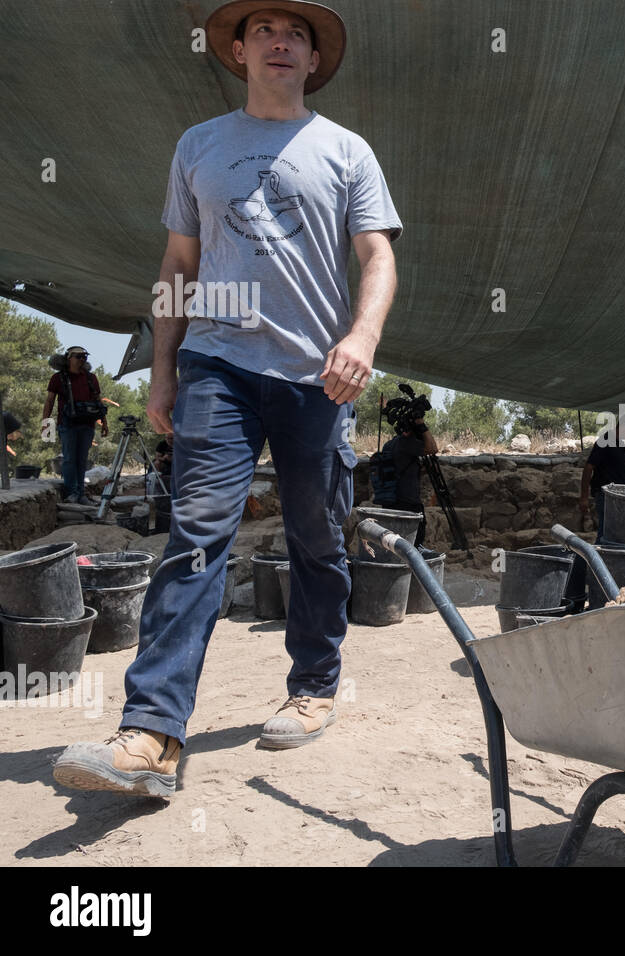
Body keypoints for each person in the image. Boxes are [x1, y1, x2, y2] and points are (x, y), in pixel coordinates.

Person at [54, 0, 401, 798]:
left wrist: (363, 339)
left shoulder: (346, 151)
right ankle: (151, 732)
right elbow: (178, 266)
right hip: (217, 363)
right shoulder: (198, 146)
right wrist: (166, 369)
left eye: (298, 36)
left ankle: (315, 687)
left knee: (315, 535)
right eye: (266, 33)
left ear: (313, 61)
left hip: (317, 376)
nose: (281, 43)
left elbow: (377, 257)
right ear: (240, 51)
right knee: (198, 533)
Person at [41, 346, 108, 504]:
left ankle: (81, 494)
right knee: (70, 459)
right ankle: (72, 493)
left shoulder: (91, 378)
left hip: (87, 424)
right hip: (67, 424)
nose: (82, 359)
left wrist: (104, 422)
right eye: (78, 356)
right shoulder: (58, 378)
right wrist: (45, 422)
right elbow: (50, 401)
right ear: (68, 358)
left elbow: (98, 401)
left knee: (82, 459)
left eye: (84, 356)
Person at [579, 411, 625, 543]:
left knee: (613, 533)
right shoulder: (606, 440)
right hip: (606, 495)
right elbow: (589, 467)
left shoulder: (619, 444)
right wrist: (584, 497)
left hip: (617, 496)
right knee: (606, 534)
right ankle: (598, 561)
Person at [382, 415, 436, 548]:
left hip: (390, 502)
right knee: (414, 544)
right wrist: (422, 425)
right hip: (408, 504)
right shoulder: (407, 443)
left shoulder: (389, 444)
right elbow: (433, 448)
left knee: (393, 544)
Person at [146, 437, 173, 535]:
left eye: (171, 439)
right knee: (156, 463)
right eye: (168, 438)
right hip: (164, 463)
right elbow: (157, 457)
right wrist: (165, 458)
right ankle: (156, 478)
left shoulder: (179, 442)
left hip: (176, 463)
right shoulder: (162, 444)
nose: (169, 441)